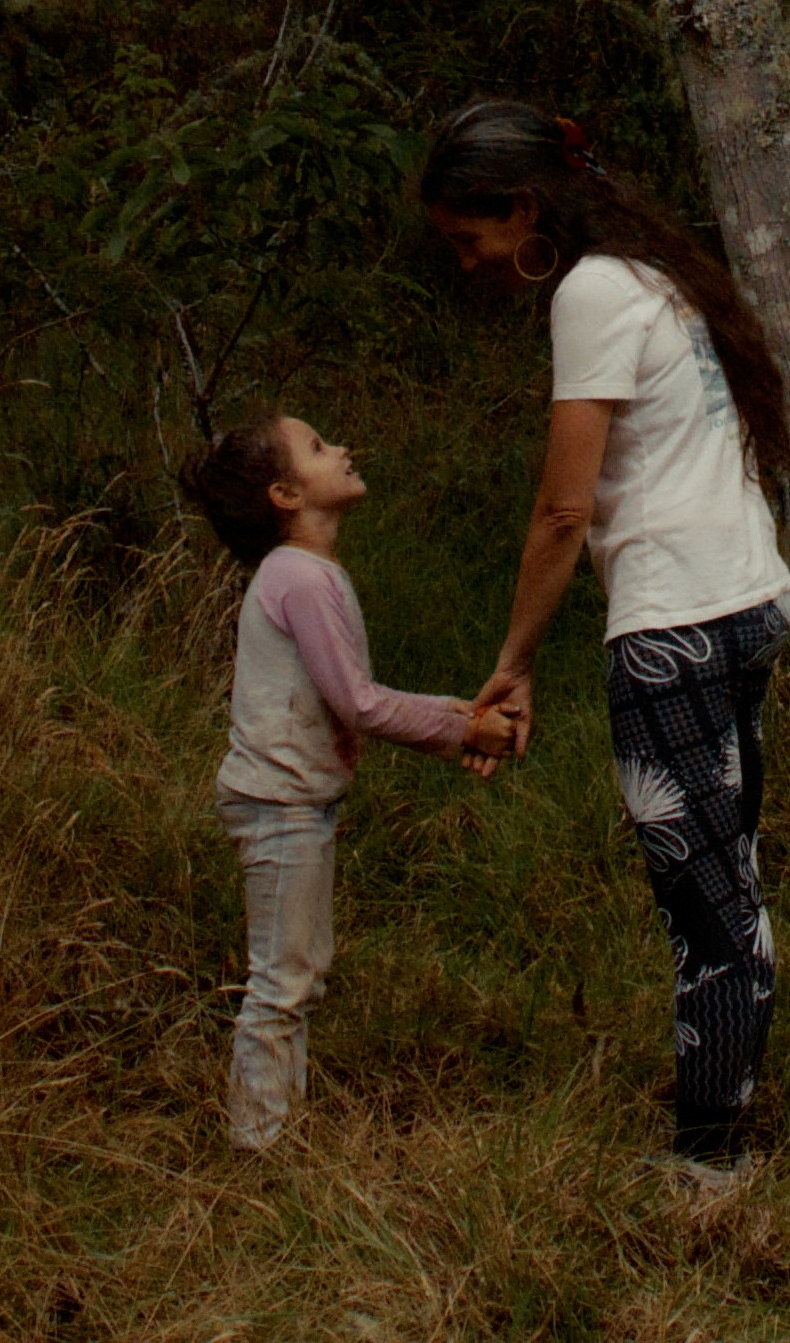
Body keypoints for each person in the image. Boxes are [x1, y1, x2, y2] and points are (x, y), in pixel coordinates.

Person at [426, 99, 790, 1199]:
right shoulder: (655, 276)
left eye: (469, 237)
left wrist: (514, 660)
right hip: (748, 601)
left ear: (524, 207)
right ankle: (726, 1124)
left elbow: (563, 507)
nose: (468, 262)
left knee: (705, 912)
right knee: (730, 882)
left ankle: (711, 1168)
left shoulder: (590, 292)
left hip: (673, 629)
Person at [183, 410, 523, 1152]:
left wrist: (458, 712)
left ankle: (274, 1133)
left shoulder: (306, 574)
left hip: (291, 801)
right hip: (279, 802)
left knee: (299, 972)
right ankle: (258, 1149)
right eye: (316, 447)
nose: (341, 448)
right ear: (284, 494)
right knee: (282, 982)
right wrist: (464, 731)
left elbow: (353, 693)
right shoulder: (300, 578)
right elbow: (359, 705)